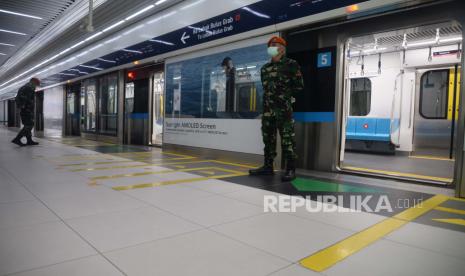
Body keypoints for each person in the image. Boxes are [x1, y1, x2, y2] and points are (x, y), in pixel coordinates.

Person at [249, 36, 304, 181]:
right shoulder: (265, 69)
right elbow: (266, 89)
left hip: (284, 110)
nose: (271, 47)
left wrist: (285, 97)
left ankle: (290, 169)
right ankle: (268, 167)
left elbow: (299, 86)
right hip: (267, 110)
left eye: (274, 45)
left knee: (287, 139)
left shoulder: (291, 64)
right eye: (269, 45)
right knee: (268, 139)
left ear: (282, 48)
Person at [11, 78, 41, 147]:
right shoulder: (29, 88)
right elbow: (27, 99)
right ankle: (17, 139)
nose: (36, 86)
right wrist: (25, 107)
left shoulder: (25, 87)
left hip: (26, 109)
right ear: (33, 82)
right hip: (27, 110)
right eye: (37, 84)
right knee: (29, 125)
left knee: (28, 124)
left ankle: (29, 140)